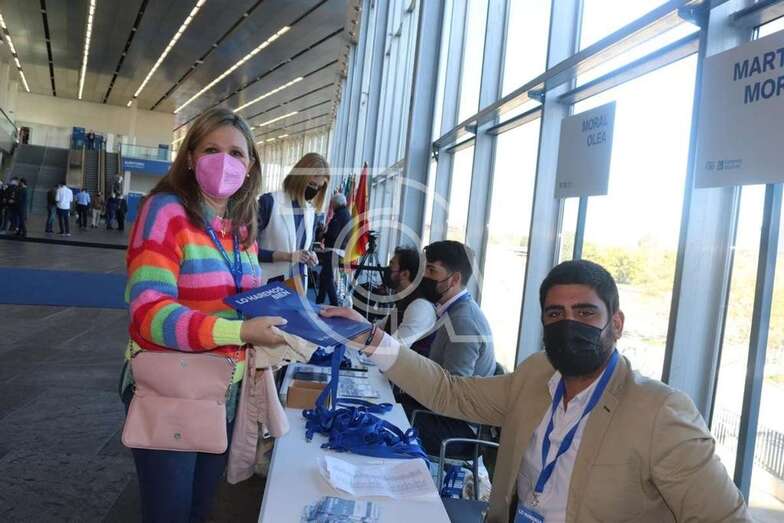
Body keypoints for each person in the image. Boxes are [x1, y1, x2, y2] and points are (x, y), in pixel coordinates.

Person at [323, 259, 752, 522]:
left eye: (586, 312)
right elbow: (450, 393)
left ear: (616, 323)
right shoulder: (535, 376)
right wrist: (372, 339)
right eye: (555, 314)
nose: (570, 324)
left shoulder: (661, 412)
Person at [120, 107, 285, 522]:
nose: (224, 161)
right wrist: (240, 331)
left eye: (236, 153)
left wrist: (287, 314)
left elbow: (237, 299)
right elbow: (149, 313)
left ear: (250, 167)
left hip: (224, 388)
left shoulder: (241, 228)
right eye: (212, 149)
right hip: (172, 386)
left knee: (198, 509)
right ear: (191, 157)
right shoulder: (165, 211)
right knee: (169, 512)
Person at [257, 152, 329, 289]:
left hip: (298, 286)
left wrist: (310, 256)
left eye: (319, 187)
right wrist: (288, 256)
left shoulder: (311, 213)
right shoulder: (269, 202)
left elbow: (305, 248)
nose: (314, 190)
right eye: (312, 184)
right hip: (269, 285)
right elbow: (247, 251)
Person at [380, 247, 437, 352]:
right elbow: (379, 328)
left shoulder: (420, 307)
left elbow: (394, 349)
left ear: (405, 274)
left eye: (391, 266)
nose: (386, 270)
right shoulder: (406, 300)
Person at [315, 193, 351, 305]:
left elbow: (333, 234)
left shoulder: (340, 215)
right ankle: (320, 301)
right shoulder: (345, 214)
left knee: (326, 277)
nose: (332, 206)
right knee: (325, 277)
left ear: (336, 203)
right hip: (338, 250)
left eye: (332, 203)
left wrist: (324, 233)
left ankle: (332, 303)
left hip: (334, 250)